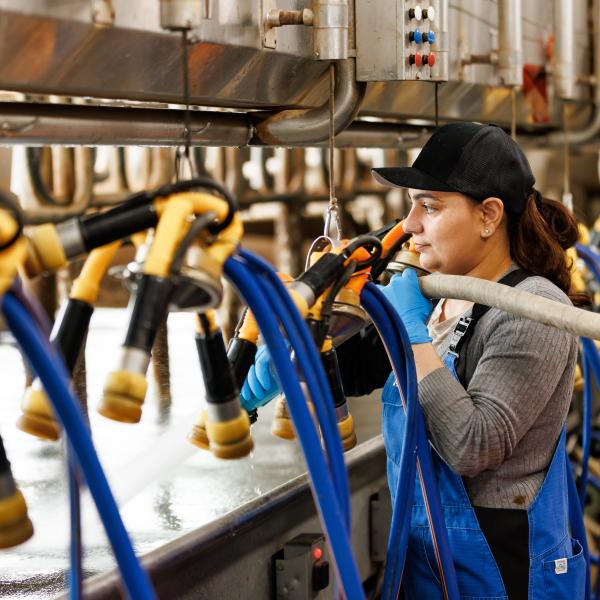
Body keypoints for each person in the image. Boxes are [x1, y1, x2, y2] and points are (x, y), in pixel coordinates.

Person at [241, 122, 588, 599]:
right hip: (428, 560)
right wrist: (291, 358)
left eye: (430, 206)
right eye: (411, 205)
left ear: (489, 215)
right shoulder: (438, 298)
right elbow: (361, 370)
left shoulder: (534, 309)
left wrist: (410, 330)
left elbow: (472, 445)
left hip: (504, 574)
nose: (409, 226)